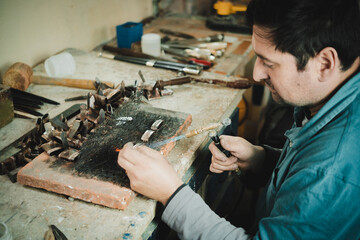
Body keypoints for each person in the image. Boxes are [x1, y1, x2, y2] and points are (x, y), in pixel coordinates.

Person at [117, 0, 360, 238]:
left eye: (269, 62)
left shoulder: (333, 169)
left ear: (325, 64)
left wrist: (170, 194)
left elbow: (319, 173)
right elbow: (305, 174)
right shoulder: (330, 100)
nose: (256, 74)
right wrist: (262, 161)